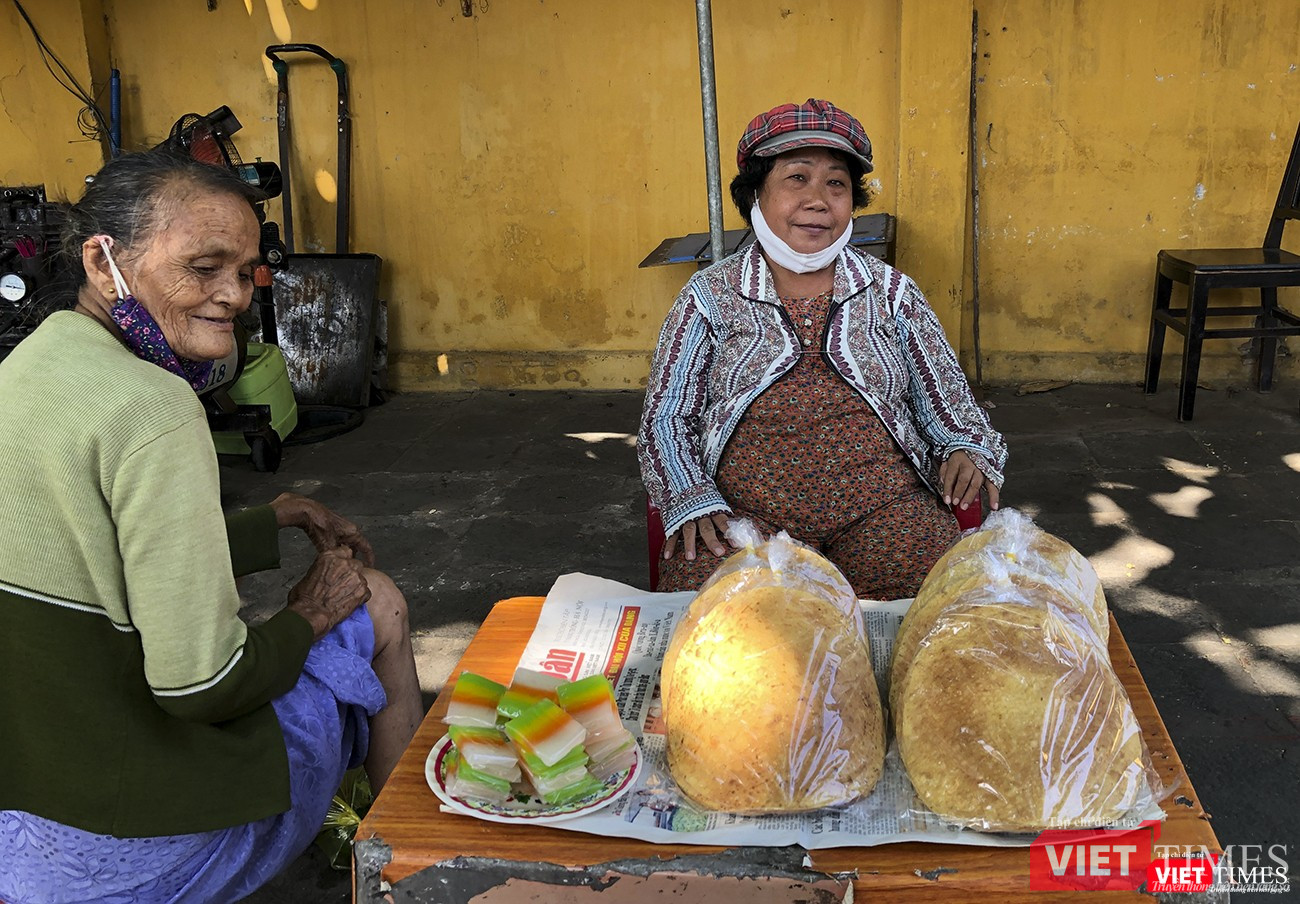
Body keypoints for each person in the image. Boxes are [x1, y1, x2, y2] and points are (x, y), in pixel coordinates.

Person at [0, 151, 423, 903]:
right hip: (141, 851)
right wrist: (309, 612)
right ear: (105, 262)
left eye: (247, 270)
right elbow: (205, 685)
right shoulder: (154, 409)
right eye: (203, 267)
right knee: (376, 601)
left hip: (27, 827)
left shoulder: (28, 367)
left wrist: (267, 522)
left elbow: (99, 558)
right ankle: (415, 868)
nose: (233, 295)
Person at [639, 99, 1007, 600]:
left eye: (836, 183)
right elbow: (666, 416)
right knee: (723, 637)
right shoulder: (709, 296)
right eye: (796, 178)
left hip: (885, 508)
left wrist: (965, 445)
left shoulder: (891, 291)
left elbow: (948, 401)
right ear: (755, 196)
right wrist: (690, 494)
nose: (818, 200)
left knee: (950, 613)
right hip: (747, 514)